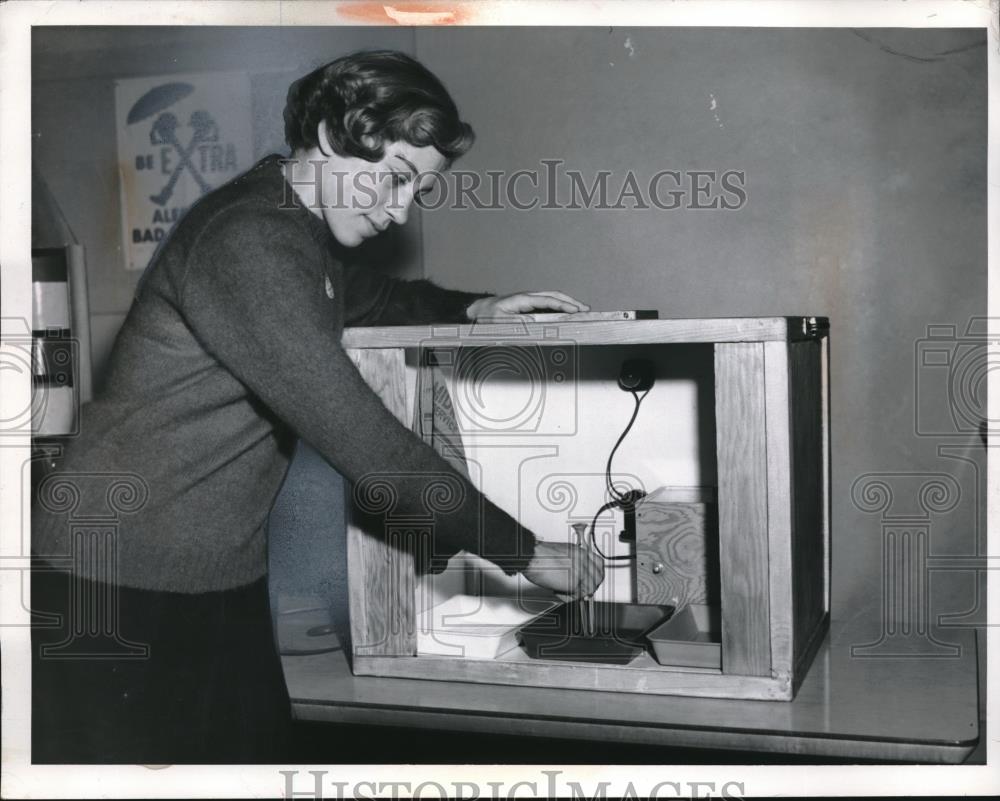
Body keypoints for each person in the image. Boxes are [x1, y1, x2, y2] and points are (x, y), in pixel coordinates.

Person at [31, 50, 604, 764]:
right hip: (113, 575)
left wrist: (475, 307)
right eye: (395, 178)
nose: (398, 211)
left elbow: (376, 297)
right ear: (334, 135)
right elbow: (368, 445)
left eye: (414, 192)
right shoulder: (248, 241)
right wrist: (524, 551)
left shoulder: (295, 227)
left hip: (211, 573)